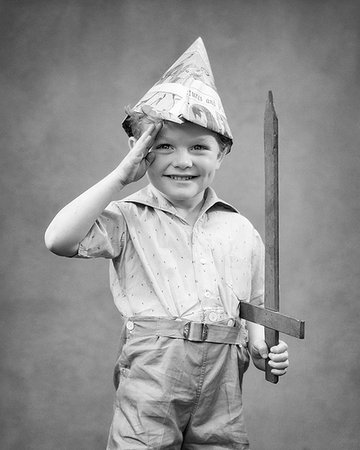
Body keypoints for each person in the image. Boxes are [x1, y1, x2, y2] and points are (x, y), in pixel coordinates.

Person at [45, 37, 289, 449]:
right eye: (163, 146)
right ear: (140, 153)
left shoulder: (241, 230)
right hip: (154, 367)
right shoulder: (127, 217)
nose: (183, 160)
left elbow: (254, 309)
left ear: (222, 153)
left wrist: (266, 347)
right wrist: (122, 176)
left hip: (225, 374)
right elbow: (58, 240)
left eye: (199, 147)